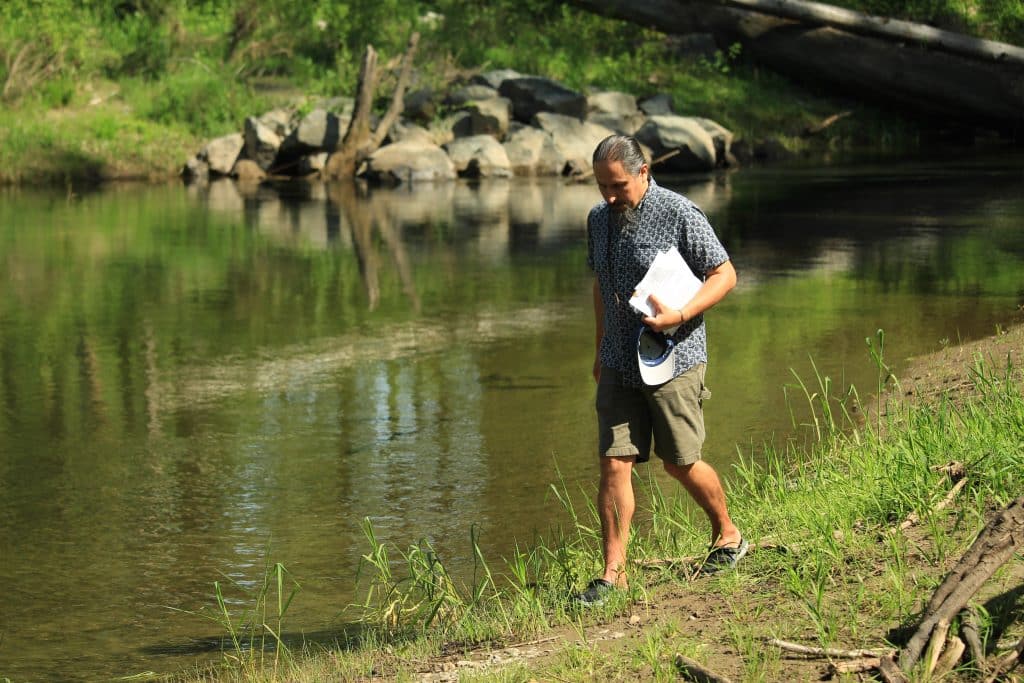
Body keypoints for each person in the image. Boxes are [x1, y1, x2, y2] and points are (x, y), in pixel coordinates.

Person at [574, 134, 746, 606]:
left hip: (674, 356)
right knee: (614, 462)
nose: (610, 196)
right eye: (602, 186)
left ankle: (728, 534)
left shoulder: (680, 214)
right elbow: (600, 285)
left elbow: (724, 274)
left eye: (619, 186)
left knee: (679, 462)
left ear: (644, 172)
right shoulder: (598, 219)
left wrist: (680, 315)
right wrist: (599, 348)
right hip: (617, 361)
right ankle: (613, 575)